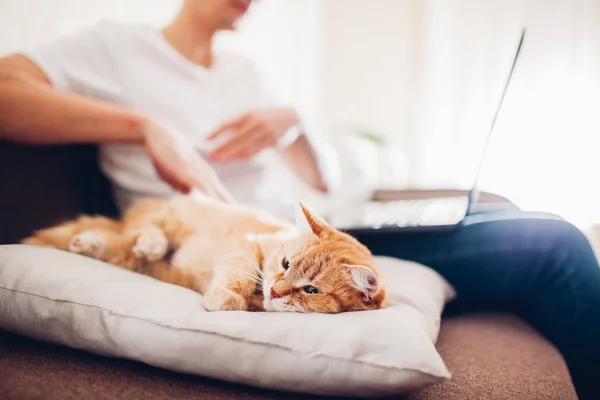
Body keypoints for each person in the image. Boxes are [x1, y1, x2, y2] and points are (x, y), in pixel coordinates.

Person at [0, 0, 598, 397]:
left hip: (317, 235)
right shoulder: (116, 47)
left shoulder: (244, 71)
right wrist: (142, 125)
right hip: (221, 236)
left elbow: (321, 185)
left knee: (515, 215)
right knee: (554, 245)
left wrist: (294, 126)